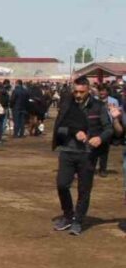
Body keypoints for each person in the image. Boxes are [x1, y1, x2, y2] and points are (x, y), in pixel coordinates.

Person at [52, 77, 112, 236]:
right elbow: (58, 129)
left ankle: (78, 221)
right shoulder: (67, 106)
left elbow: (108, 129)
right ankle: (67, 215)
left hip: (88, 154)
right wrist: (73, 132)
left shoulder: (98, 107)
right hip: (67, 151)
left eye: (81, 92)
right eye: (76, 91)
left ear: (88, 90)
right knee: (62, 185)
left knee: (84, 190)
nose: (78, 95)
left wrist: (100, 138)